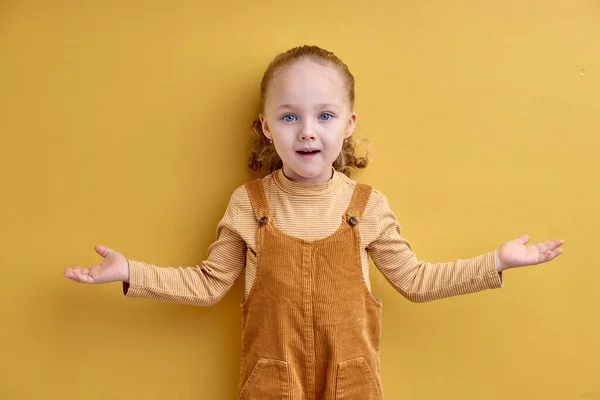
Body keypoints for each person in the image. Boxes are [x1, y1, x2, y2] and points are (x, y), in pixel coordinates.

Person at [64, 45, 564, 400]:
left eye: (324, 116)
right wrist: (130, 271)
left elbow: (416, 280)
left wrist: (497, 262)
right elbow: (205, 285)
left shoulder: (368, 206)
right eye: (288, 117)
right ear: (265, 125)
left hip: (353, 383)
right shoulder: (248, 203)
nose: (307, 131)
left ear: (348, 124)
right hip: (270, 384)